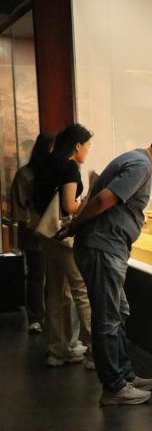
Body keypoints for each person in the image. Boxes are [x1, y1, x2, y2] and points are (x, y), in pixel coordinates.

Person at [62, 127, 152, 406]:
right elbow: (102, 200)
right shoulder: (141, 166)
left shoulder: (136, 161)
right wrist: (75, 225)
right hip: (103, 248)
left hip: (108, 248)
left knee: (118, 311)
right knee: (108, 317)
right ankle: (114, 387)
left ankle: (123, 375)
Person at [33, 124, 94, 368]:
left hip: (45, 234)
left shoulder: (45, 163)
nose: (88, 151)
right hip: (62, 235)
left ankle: (58, 349)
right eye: (87, 146)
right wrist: (87, 203)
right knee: (81, 289)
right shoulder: (69, 167)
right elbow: (69, 206)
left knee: (57, 290)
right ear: (77, 145)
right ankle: (97, 351)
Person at [9, 132, 55, 334]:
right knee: (37, 275)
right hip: (34, 232)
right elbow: (19, 207)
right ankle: (36, 318)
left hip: (52, 231)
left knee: (50, 277)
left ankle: (49, 317)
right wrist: (31, 223)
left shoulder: (50, 173)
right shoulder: (25, 174)